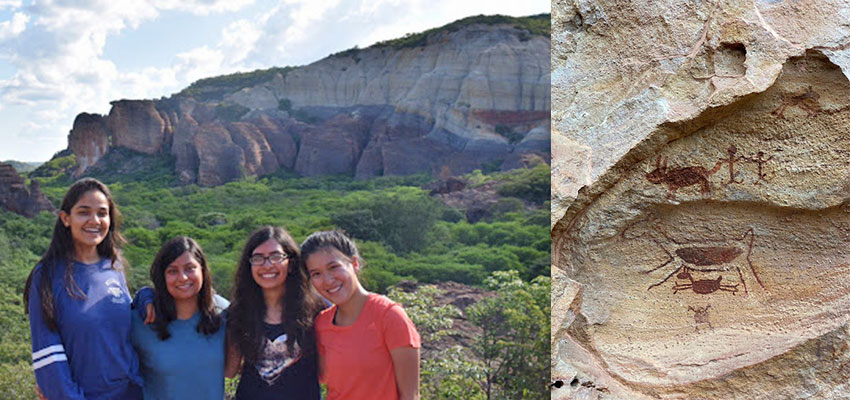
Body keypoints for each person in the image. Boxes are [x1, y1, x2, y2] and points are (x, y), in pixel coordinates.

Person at [23, 178, 143, 399]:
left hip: (133, 393)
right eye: (84, 212)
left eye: (102, 213)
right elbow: (48, 353)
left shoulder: (113, 265)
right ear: (66, 218)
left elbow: (123, 329)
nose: (94, 220)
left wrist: (146, 297)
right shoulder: (47, 275)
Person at [301, 230, 421, 400]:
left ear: (354, 263)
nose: (327, 280)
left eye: (333, 267)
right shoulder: (322, 323)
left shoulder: (389, 316)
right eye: (316, 274)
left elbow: (411, 395)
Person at [225, 226, 323, 399]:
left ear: (291, 263)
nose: (267, 265)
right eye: (258, 258)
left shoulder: (317, 309)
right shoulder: (238, 312)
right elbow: (230, 370)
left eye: (275, 256)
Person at [130, 236, 226, 400]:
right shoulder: (141, 319)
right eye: (172, 271)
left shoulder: (223, 313)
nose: (182, 277)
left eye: (190, 268)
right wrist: (143, 295)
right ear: (162, 276)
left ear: (202, 270)